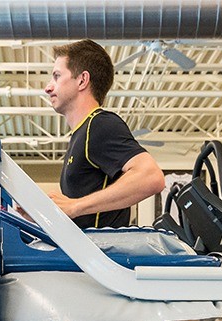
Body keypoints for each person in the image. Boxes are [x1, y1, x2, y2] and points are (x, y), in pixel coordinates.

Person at [43, 39, 165, 228]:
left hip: (100, 254)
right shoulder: (81, 134)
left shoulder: (99, 125)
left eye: (57, 76)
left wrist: (76, 206)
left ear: (82, 80)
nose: (48, 87)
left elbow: (151, 177)